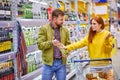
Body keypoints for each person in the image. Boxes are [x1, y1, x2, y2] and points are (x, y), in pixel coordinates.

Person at [59, 16, 116, 80]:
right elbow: (79, 43)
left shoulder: (107, 35)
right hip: (94, 67)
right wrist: (66, 47)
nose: (92, 25)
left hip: (106, 67)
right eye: (91, 24)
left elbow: (108, 50)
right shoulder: (90, 36)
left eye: (94, 24)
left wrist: (106, 42)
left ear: (100, 25)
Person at [37, 9, 70, 80]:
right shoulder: (44, 29)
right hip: (48, 64)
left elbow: (68, 44)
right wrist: (51, 43)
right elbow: (40, 45)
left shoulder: (65, 30)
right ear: (54, 19)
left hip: (61, 63)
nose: (63, 22)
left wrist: (66, 52)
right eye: (61, 19)